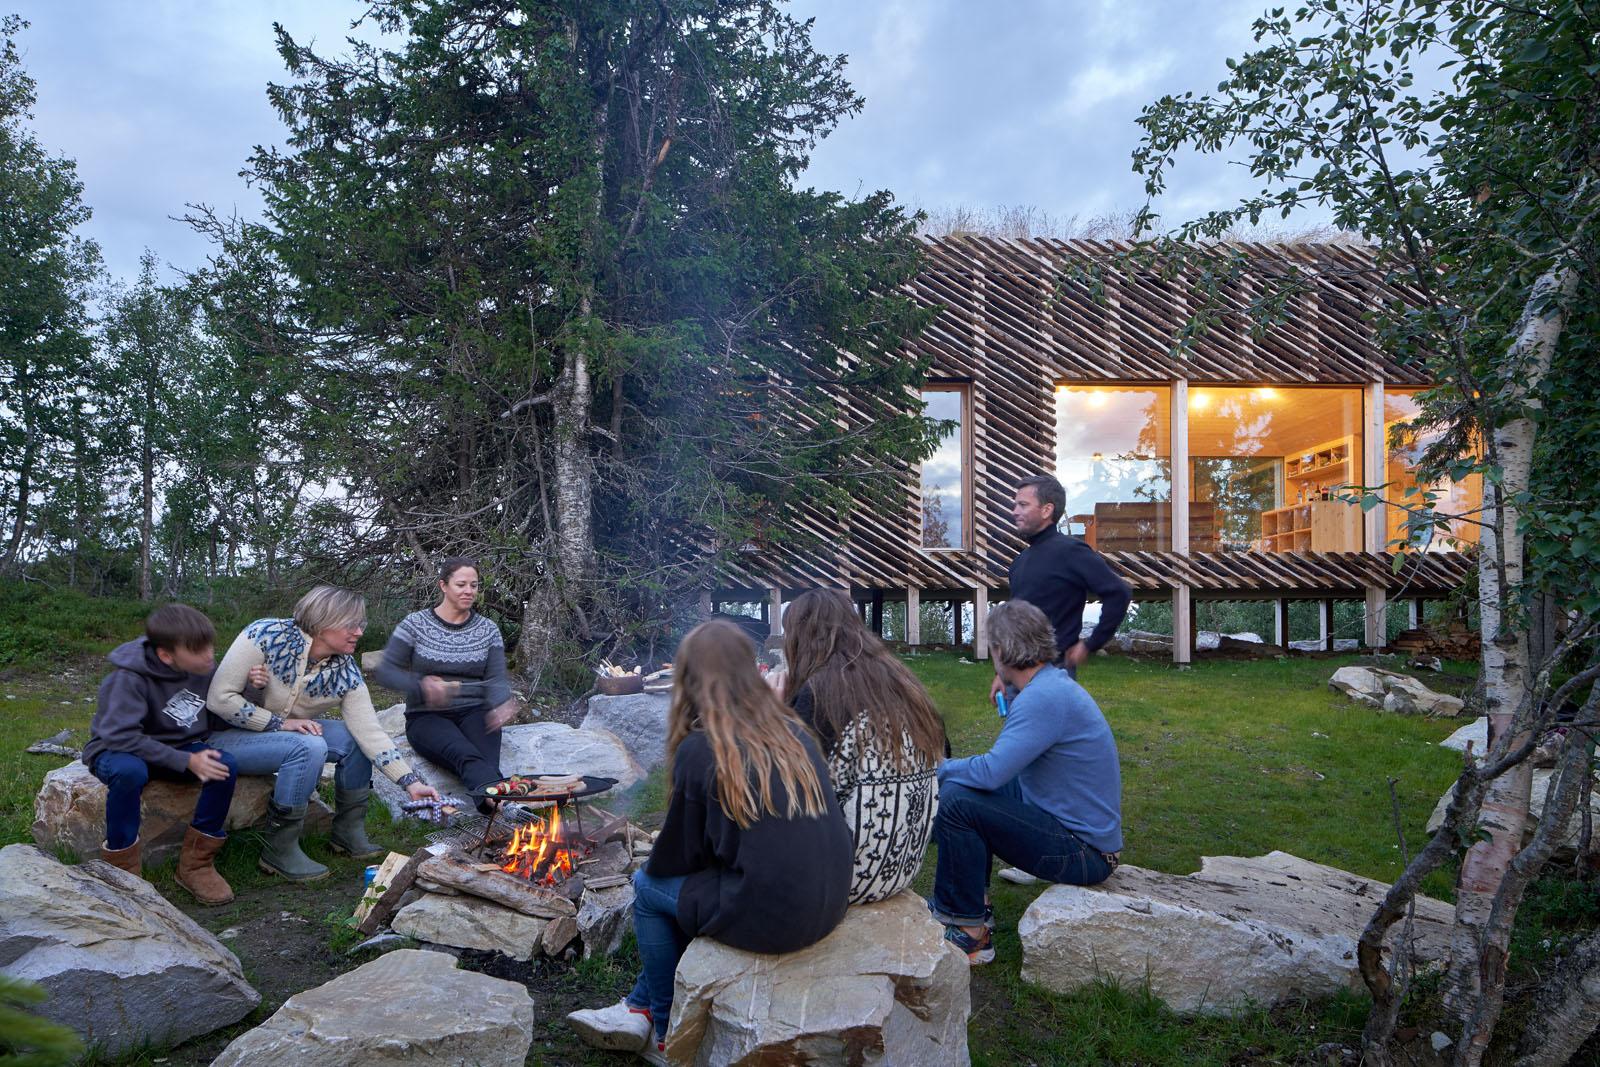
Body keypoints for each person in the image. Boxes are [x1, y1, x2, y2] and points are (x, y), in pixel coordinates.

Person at [566, 619, 853, 1064]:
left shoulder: (701, 749)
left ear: (688, 680)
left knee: (647, 888)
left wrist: (665, 859)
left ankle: (665, 1032)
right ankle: (639, 1006)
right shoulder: (792, 730)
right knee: (691, 890)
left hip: (777, 918)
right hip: (830, 900)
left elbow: (676, 859)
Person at [931, 599, 1123, 964]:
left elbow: (992, 771)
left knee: (957, 800)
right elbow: (1003, 768)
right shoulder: (1048, 686)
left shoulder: (1044, 697)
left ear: (1001, 650)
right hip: (1076, 831)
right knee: (967, 791)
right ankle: (972, 907)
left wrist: (936, 768)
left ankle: (971, 936)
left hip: (1086, 854)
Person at [208, 585, 439, 881]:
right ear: (322, 622)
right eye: (351, 625)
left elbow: (370, 731)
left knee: (354, 739)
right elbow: (220, 699)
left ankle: (347, 832)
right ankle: (279, 848)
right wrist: (279, 724)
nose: (359, 632)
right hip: (226, 737)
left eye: (361, 624)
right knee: (310, 745)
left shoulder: (344, 669)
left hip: (286, 737)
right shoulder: (264, 634)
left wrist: (410, 782)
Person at [781, 588, 945, 904]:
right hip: (901, 867)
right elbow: (943, 751)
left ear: (800, 638)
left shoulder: (819, 694)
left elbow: (785, 791)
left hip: (844, 877)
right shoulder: (901, 681)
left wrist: (776, 714)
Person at [83, 604, 238, 905]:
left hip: (177, 747)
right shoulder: (128, 678)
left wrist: (254, 688)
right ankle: (122, 873)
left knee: (224, 766)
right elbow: (119, 735)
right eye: (198, 649)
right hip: (118, 749)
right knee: (130, 773)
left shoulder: (204, 669)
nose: (209, 655)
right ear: (167, 656)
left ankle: (196, 866)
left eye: (210, 645)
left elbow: (219, 719)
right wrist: (185, 761)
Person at [373, 557, 517, 813]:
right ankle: (511, 807)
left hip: (476, 711)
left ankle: (501, 817)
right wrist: (423, 685)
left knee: (486, 764)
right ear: (443, 585)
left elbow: (496, 680)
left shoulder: (488, 630)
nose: (469, 591)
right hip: (426, 716)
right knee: (466, 756)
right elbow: (386, 671)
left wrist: (501, 703)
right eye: (461, 584)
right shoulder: (415, 624)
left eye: (474, 585)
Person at [995, 473, 1132, 703]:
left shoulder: (1071, 552)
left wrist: (1091, 644)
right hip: (1015, 675)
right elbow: (1014, 623)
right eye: (1015, 505)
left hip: (1052, 674)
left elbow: (1119, 593)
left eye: (1023, 505)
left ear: (1046, 510)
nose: (1014, 511)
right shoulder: (1020, 561)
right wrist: (1001, 674)